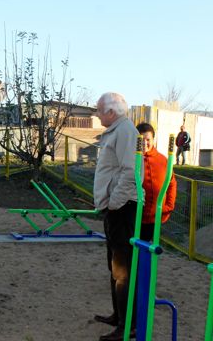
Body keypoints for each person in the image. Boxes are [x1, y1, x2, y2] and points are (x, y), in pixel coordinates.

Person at [93, 92, 139, 341]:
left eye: (99, 110)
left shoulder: (125, 131)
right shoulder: (116, 130)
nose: (97, 114)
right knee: (114, 267)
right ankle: (118, 315)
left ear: (111, 112)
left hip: (122, 208)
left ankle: (128, 326)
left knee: (122, 270)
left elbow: (130, 171)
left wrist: (114, 203)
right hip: (114, 209)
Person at [136, 123, 177, 242]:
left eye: (148, 139)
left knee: (149, 248)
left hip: (155, 217)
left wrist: (169, 206)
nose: (145, 143)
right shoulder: (131, 159)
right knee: (133, 248)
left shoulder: (162, 160)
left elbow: (172, 184)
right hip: (135, 216)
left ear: (153, 140)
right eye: (142, 139)